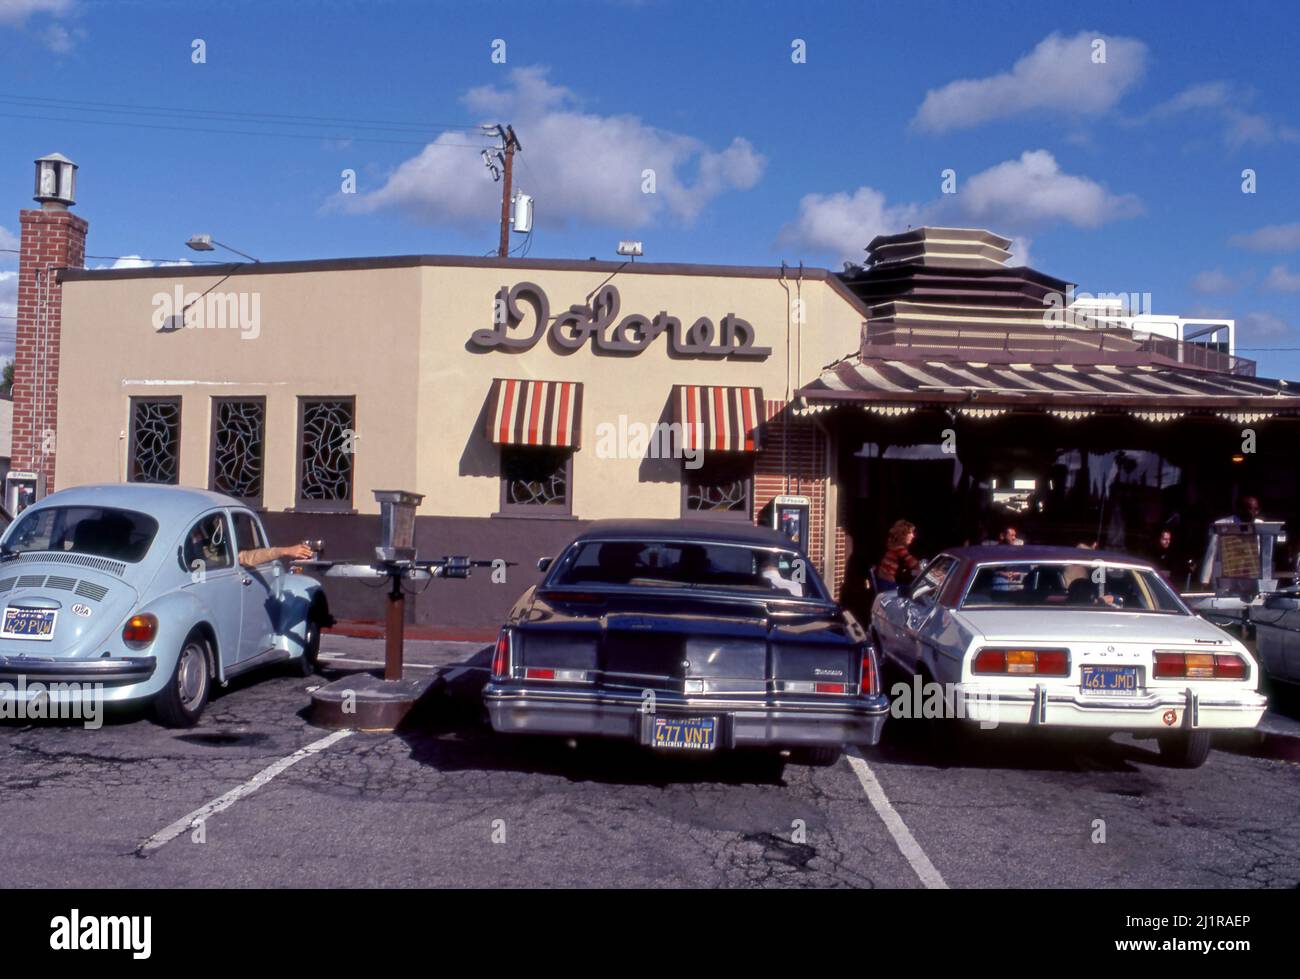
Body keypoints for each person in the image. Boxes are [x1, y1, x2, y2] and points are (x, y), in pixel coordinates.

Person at [875, 519, 920, 593]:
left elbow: (909, 568)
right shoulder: (899, 548)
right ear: (903, 535)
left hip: (884, 582)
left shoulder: (895, 547)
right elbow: (913, 564)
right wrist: (926, 572)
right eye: (910, 533)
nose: (913, 535)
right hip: (888, 585)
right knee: (914, 592)